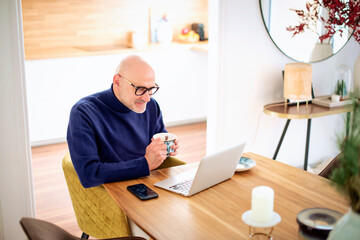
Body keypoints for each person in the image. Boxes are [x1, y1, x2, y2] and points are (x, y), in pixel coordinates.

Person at [67, 55, 182, 188]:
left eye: (151, 89)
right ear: (117, 82)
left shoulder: (151, 106)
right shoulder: (83, 113)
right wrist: (145, 164)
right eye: (140, 89)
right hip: (115, 191)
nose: (147, 98)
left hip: (150, 184)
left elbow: (160, 141)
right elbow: (89, 174)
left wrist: (166, 150)